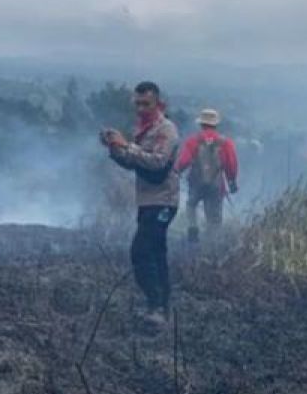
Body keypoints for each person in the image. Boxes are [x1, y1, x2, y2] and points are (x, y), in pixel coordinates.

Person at [100, 81, 180, 326]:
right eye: (138, 104)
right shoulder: (144, 130)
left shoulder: (166, 130)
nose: (141, 108)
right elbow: (134, 164)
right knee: (156, 253)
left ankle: (156, 306)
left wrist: (126, 146)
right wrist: (115, 149)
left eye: (146, 103)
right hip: (148, 200)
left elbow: (157, 162)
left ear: (158, 103)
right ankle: (162, 308)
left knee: (141, 251)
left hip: (163, 201)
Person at [175, 108, 239, 244]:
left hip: (196, 183)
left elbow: (184, 161)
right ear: (216, 124)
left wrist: (177, 172)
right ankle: (212, 247)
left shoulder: (193, 141)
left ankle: (193, 227)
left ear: (201, 124)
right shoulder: (225, 143)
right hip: (216, 185)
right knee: (214, 219)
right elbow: (231, 164)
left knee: (191, 205)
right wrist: (232, 181)